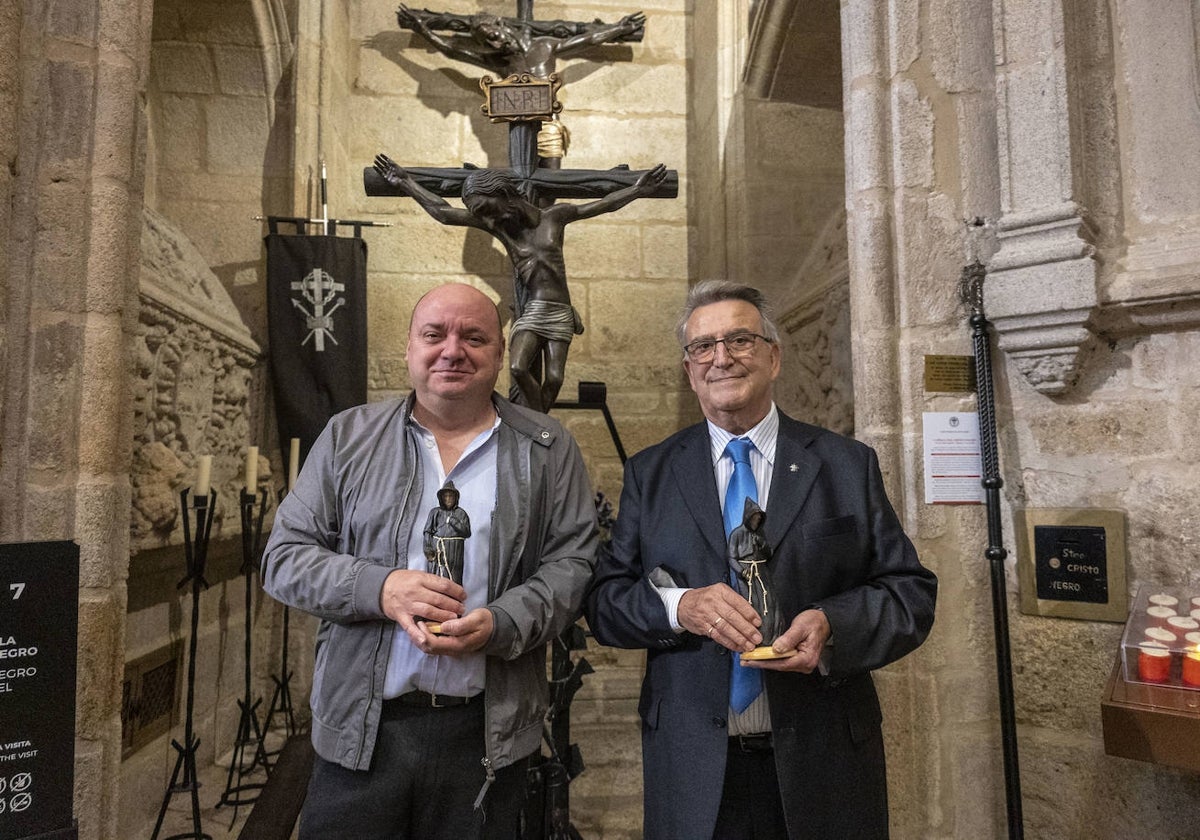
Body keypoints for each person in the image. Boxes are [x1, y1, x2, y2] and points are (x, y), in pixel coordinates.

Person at [585, 280, 937, 839]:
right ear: (688, 369)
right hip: (694, 768)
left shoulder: (846, 465)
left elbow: (908, 593)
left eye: (740, 339)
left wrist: (830, 624)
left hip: (824, 764)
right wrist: (681, 608)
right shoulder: (652, 474)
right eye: (703, 346)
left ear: (773, 357)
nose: (721, 357)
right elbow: (605, 603)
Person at [261, 282, 599, 839]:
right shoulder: (349, 438)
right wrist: (382, 588)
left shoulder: (546, 447)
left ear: (498, 354)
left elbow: (573, 564)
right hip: (363, 733)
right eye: (434, 334)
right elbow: (284, 558)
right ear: (410, 349)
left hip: (485, 736)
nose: (452, 350)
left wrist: (502, 622)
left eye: (474, 337)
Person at [373, 153, 668, 412]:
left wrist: (637, 190)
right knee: (517, 367)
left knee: (554, 378)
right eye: (483, 215)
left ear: (506, 194)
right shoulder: (503, 230)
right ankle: (535, 422)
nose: (490, 219)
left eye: (490, 209)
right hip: (534, 309)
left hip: (559, 310)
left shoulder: (555, 217)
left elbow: (603, 205)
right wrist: (404, 182)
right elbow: (444, 213)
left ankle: (537, 422)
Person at [397, 5, 646, 79]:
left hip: (548, 118)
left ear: (502, 26)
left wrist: (617, 28)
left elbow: (588, 38)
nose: (494, 44)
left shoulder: (545, 46)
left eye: (493, 36)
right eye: (487, 42)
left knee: (550, 178)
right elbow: (451, 50)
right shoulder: (495, 60)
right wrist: (422, 28)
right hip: (515, 119)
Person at [425, 480, 470, 586]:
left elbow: (466, 532)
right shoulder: (435, 512)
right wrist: (428, 549)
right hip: (438, 550)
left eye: (451, 496)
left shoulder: (461, 513)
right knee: (436, 578)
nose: (448, 499)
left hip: (455, 552)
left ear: (456, 498)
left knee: (454, 579)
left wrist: (453, 521)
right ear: (441, 498)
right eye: (446, 496)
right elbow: (428, 531)